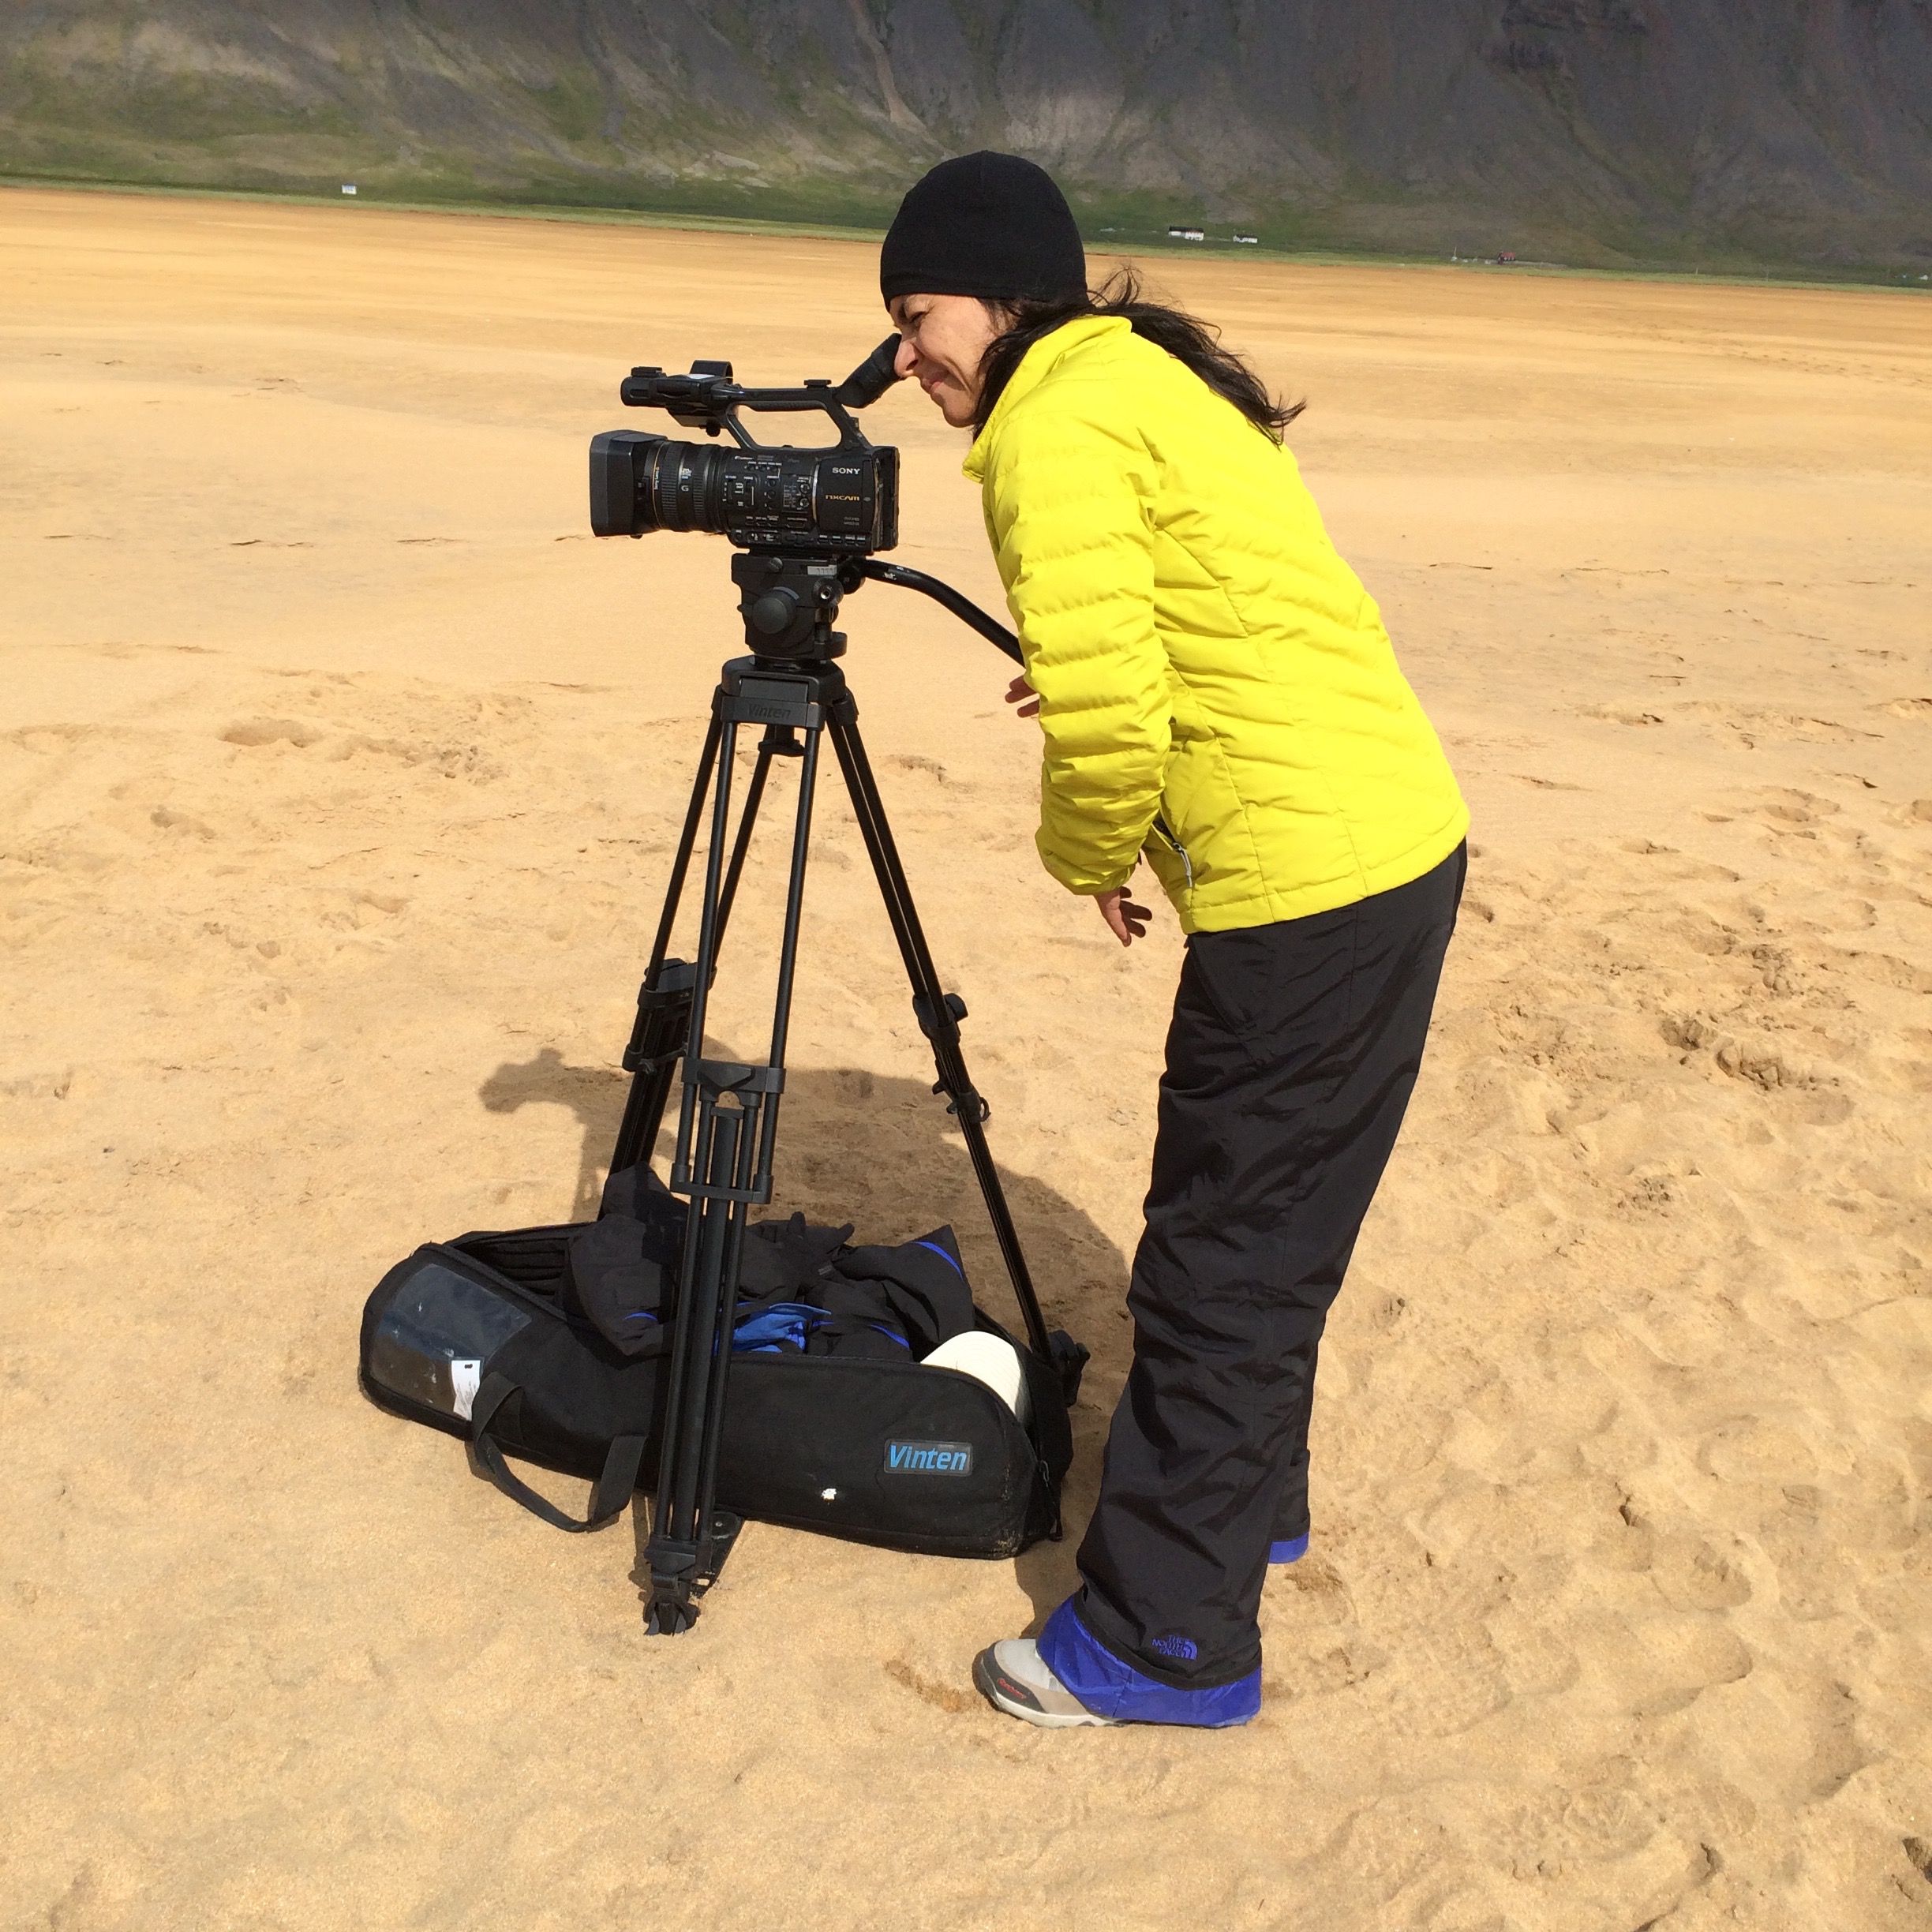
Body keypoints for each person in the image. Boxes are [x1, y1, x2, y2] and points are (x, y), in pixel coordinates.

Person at [878, 152, 1469, 1728]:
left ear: (1003, 296)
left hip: (1308, 884)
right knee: (1272, 1228)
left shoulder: (1051, 424)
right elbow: (1206, 631)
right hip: (1386, 844)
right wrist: (1127, 763)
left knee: (1220, 1255)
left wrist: (1083, 850)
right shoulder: (1134, 379)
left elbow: (1114, 710)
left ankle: (1165, 1641)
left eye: (918, 315)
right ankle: (1247, 1507)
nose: (904, 355)